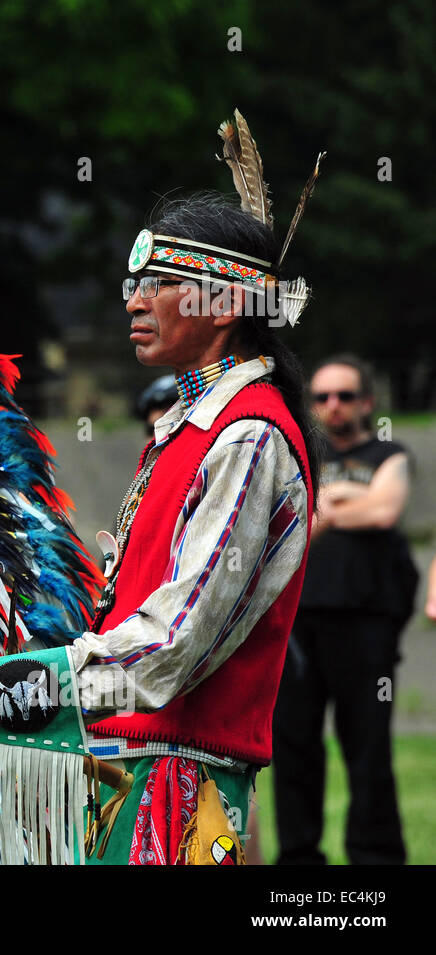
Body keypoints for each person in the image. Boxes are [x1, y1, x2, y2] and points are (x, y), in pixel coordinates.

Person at [0, 111, 322, 865]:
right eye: (134, 283)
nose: (133, 300)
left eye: (158, 284)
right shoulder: (193, 427)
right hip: (127, 774)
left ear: (224, 304)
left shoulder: (250, 435)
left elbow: (169, 648)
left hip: (180, 793)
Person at [273, 355, 415, 864]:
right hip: (297, 625)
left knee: (369, 749)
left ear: (367, 403)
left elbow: (384, 509)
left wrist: (329, 506)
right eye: (323, 397)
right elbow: (291, 529)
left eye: (346, 396)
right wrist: (346, 501)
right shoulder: (300, 454)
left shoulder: (389, 452)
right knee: (293, 749)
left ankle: (375, 858)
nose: (333, 406)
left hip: (367, 623)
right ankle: (298, 859)